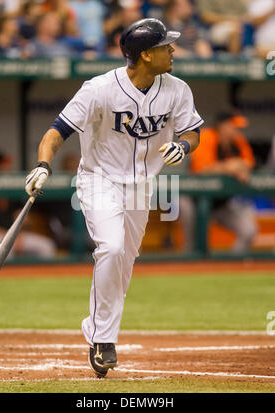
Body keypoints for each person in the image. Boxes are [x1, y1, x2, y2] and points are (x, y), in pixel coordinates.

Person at [25, 18, 203, 378]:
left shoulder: (178, 89)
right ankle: (103, 339)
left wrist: (183, 146)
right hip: (99, 179)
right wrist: (44, 165)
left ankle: (97, 330)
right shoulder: (99, 88)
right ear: (145, 55)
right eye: (165, 45)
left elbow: (192, 131)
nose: (172, 50)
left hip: (141, 186)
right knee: (110, 246)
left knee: (123, 263)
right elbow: (57, 131)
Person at [179, 112, 257, 253]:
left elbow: (249, 163)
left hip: (221, 204)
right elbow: (203, 169)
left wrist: (232, 166)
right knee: (193, 247)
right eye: (234, 126)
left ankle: (232, 268)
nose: (237, 130)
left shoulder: (238, 141)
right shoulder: (206, 136)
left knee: (248, 230)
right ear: (223, 126)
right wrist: (230, 167)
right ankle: (191, 266)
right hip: (194, 201)